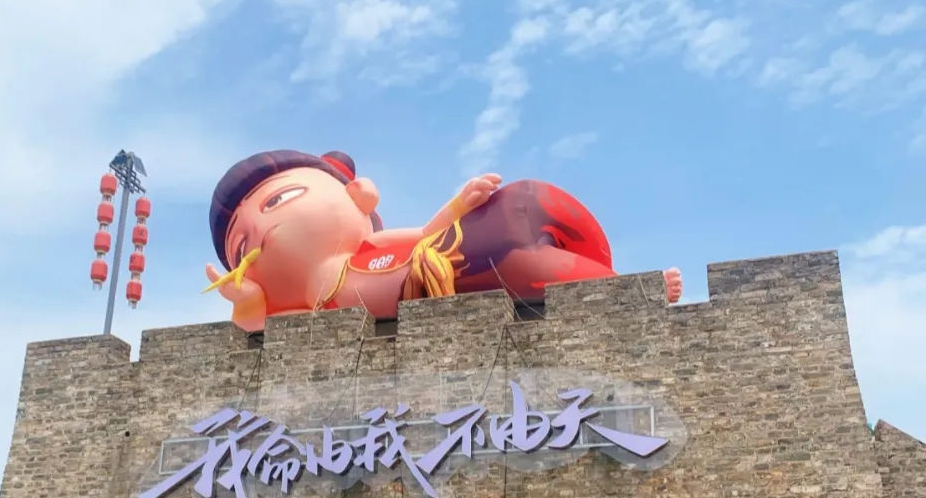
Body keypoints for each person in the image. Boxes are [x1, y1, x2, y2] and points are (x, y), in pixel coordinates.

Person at [205, 149, 683, 332]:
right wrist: (248, 303)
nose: (259, 232)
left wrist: (458, 204)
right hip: (439, 283)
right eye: (241, 248)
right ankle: (633, 293)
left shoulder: (374, 246)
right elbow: (258, 335)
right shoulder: (302, 304)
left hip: (435, 264)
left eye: (277, 201)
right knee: (525, 267)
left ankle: (617, 282)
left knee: (524, 202)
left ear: (358, 196)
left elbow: (425, 235)